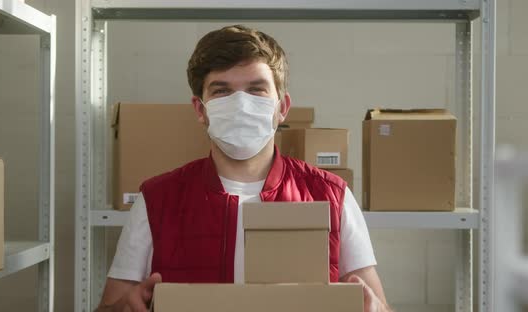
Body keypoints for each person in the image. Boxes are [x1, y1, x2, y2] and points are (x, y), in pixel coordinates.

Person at [97, 25, 392, 312]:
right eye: (222, 91)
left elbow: (379, 305)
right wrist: (124, 306)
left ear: (282, 108)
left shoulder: (330, 196)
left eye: (256, 89)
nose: (240, 104)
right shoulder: (157, 199)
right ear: (201, 109)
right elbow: (110, 307)